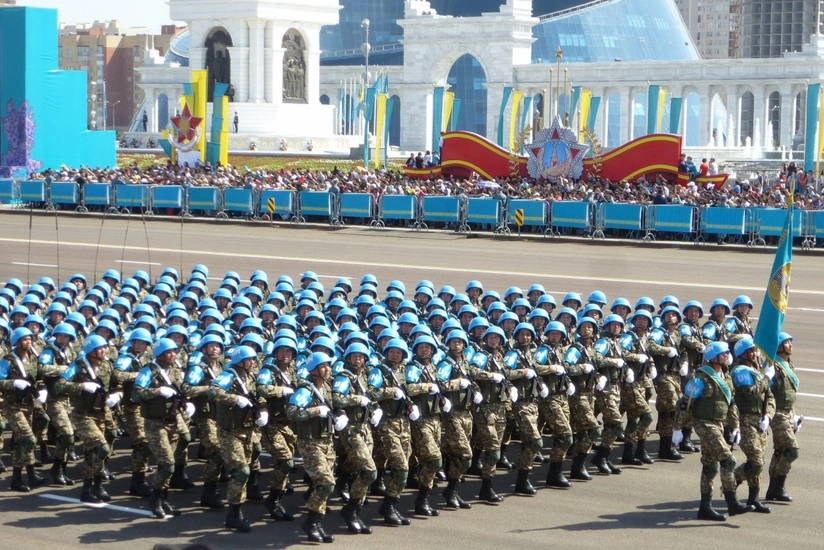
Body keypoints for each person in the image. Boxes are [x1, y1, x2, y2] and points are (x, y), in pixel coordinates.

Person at [675, 341, 753, 521]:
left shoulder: (725, 375)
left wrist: (735, 427)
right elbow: (685, 404)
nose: (727, 356)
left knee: (710, 466)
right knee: (728, 460)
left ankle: (705, 508)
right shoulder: (700, 378)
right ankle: (732, 503)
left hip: (718, 423)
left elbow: (731, 404)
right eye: (723, 353)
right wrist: (677, 428)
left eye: (727, 353)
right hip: (704, 424)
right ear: (713, 357)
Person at [132, 338, 194, 519]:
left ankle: (164, 498)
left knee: (170, 462)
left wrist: (186, 403)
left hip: (173, 419)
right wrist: (157, 391)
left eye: (175, 351)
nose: (173, 354)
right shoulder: (148, 371)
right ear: (159, 355)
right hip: (155, 422)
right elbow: (136, 395)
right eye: (169, 352)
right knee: (167, 464)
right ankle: (155, 499)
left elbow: (181, 390)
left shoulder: (174, 370)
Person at [212, 345, 268, 532]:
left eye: (253, 359)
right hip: (230, 432)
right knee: (241, 471)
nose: (252, 362)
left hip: (248, 431)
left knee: (247, 469)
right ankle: (234, 514)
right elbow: (214, 392)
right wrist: (235, 399)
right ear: (239, 361)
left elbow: (258, 396)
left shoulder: (250, 377)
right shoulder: (229, 375)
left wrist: (262, 410)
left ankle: (237, 509)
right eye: (249, 359)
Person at [55, 335, 118, 502]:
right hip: (82, 415)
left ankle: (92, 487)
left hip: (101, 413)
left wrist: (117, 395)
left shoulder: (107, 366)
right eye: (100, 348)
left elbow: (117, 385)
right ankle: (89, 486)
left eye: (105, 347)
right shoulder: (78, 366)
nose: (104, 350)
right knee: (102, 448)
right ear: (91, 351)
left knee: (92, 452)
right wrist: (82, 386)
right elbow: (60, 384)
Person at [287, 352, 338, 543]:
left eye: (328, 365)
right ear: (314, 369)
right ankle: (310, 522)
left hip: (326, 441)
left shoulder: (325, 387)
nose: (328, 369)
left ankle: (317, 522)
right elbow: (292, 412)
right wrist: (316, 410)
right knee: (326, 483)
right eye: (324, 366)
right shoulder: (306, 391)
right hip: (310, 443)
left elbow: (333, 406)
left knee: (323, 484)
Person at [332, 342, 379, 534]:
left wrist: (376, 409)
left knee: (355, 468)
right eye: (354, 356)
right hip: (351, 429)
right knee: (369, 471)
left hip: (365, 427)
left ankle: (355, 510)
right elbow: (336, 398)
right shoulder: (344, 377)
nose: (357, 359)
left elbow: (371, 396)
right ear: (348, 358)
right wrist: (356, 399)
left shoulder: (364, 376)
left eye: (361, 356)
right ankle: (350, 510)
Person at [367, 338, 415, 526]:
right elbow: (370, 392)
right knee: (401, 467)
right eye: (392, 351)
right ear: (386, 353)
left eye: (399, 352)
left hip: (404, 423)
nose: (396, 355)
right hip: (386, 424)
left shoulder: (405, 371)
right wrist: (389, 392)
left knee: (404, 464)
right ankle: (388, 506)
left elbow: (410, 390)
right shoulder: (379, 371)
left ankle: (392, 504)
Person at [181, 334, 227, 509]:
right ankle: (209, 491)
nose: (214, 348)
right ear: (204, 349)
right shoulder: (198, 368)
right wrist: (208, 388)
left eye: (217, 346)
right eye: (211, 346)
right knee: (215, 450)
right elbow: (186, 388)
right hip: (205, 415)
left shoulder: (223, 367)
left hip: (221, 415)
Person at [0, 328, 47, 492]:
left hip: (28, 405)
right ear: (17, 342)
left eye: (30, 339)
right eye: (25, 339)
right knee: (29, 439)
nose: (29, 342)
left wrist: (42, 389)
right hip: (12, 406)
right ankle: (29, 474)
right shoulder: (8, 361)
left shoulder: (33, 358)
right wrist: (13, 383)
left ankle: (19, 478)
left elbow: (38, 377)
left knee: (22, 443)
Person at [256, 338, 298, 522]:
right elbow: (261, 390)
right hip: (273, 425)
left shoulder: (294, 372)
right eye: (281, 351)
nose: (285, 354)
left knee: (286, 464)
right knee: (285, 461)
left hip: (289, 424)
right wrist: (281, 390)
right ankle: (272, 499)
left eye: (288, 351)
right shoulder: (268, 371)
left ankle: (277, 499)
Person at [730, 337, 774, 513]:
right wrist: (766, 378)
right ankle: (731, 481)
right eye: (751, 351)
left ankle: (753, 498)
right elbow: (750, 393)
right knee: (756, 461)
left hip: (760, 421)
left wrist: (768, 416)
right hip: (745, 420)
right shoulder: (740, 371)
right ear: (743, 354)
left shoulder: (755, 370)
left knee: (758, 461)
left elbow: (769, 397)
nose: (755, 353)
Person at [534, 322, 575, 487]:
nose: (554, 336)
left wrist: (569, 383)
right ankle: (554, 472)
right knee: (565, 435)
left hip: (562, 397)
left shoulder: (560, 351)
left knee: (559, 436)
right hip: (549, 398)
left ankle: (555, 473)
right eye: (552, 333)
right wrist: (552, 368)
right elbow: (535, 367)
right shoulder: (543, 350)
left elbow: (565, 370)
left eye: (558, 334)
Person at [38, 323, 79, 485]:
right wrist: (64, 369)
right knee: (66, 433)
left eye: (65, 336)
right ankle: (57, 468)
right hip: (54, 399)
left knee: (71, 436)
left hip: (70, 398)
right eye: (59, 335)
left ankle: (60, 467)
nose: (62, 338)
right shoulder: (49, 351)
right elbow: (42, 368)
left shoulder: (71, 352)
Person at [765, 332, 800, 503]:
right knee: (792, 450)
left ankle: (773, 490)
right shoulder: (775, 367)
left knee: (780, 451)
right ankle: (778, 486)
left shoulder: (788, 365)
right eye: (787, 343)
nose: (791, 345)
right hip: (777, 414)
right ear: (779, 346)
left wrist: (793, 415)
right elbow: (765, 390)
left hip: (787, 413)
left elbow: (790, 393)